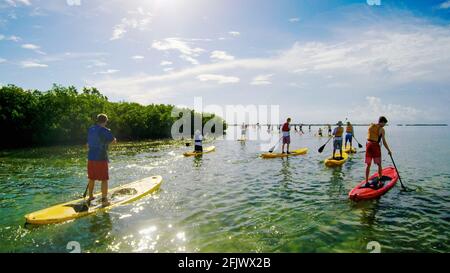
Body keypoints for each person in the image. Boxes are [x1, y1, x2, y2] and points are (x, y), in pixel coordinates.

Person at [87, 114, 117, 206]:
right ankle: (104, 201)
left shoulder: (91, 129)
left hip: (91, 157)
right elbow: (113, 141)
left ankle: (91, 196)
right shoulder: (105, 130)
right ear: (105, 121)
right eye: (107, 121)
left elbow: (88, 144)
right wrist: (110, 142)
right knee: (104, 179)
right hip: (101, 158)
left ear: (97, 120)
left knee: (92, 178)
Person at [364, 116, 393, 188]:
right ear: (382, 122)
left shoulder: (371, 126)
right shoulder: (382, 129)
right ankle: (380, 179)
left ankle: (366, 181)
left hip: (368, 145)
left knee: (368, 165)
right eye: (384, 124)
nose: (384, 125)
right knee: (379, 164)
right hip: (375, 146)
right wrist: (389, 150)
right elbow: (384, 141)